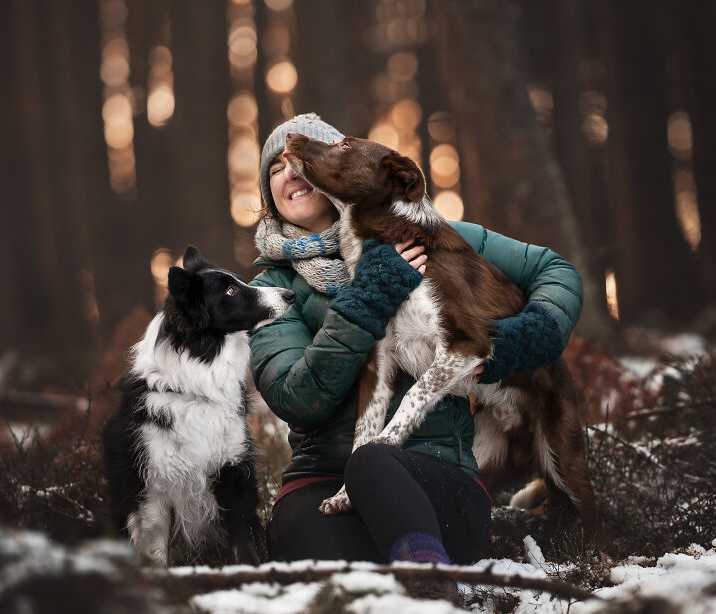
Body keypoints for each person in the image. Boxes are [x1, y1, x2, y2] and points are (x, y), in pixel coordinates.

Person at [249, 113, 582, 566]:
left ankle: (430, 586)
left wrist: (533, 332)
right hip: (324, 482)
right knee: (313, 544)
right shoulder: (270, 292)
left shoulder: (432, 233)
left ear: (338, 175)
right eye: (274, 170)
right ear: (270, 196)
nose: (291, 171)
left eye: (299, 160)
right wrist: (365, 299)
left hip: (436, 471)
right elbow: (296, 397)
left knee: (372, 461)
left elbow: (556, 272)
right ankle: (403, 578)